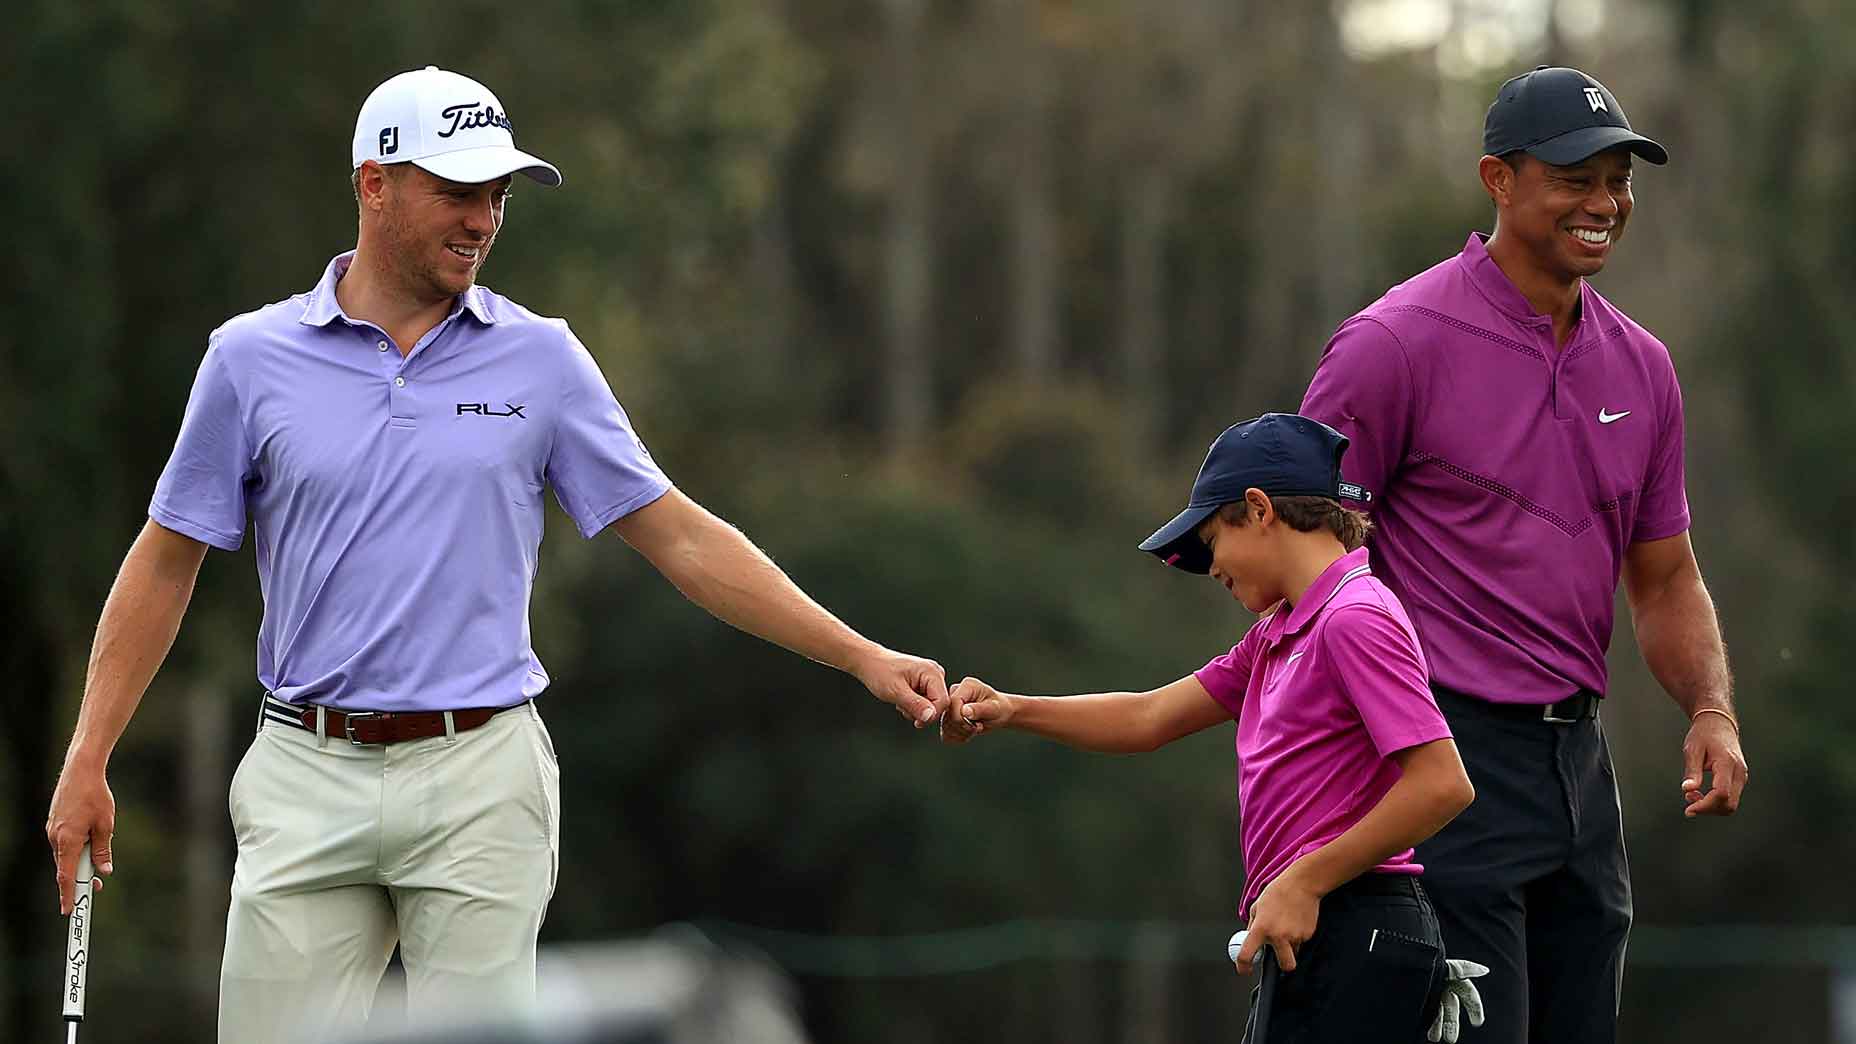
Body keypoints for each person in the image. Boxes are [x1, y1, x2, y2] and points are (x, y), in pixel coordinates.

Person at [42, 66, 949, 1043]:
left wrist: (859, 654)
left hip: (480, 774)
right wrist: (89, 753)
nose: (482, 218)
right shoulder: (249, 358)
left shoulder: (542, 360)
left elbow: (680, 536)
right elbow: (167, 557)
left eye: (497, 195)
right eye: (457, 190)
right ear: (374, 182)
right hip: (305, 769)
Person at [1297, 66, 1749, 1043]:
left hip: (1577, 774)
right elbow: (1303, 570)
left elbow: (1663, 575)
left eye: (1618, 179)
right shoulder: (1392, 344)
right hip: (1435, 758)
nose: (1603, 204)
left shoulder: (1642, 366)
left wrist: (1708, 709)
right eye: (1573, 177)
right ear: (1496, 179)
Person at [943, 413, 1478, 1043]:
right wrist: (1014, 708)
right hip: (1320, 925)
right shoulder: (1277, 635)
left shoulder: (1353, 617)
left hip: (1355, 917)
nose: (1210, 566)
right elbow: (1149, 717)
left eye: (1210, 539)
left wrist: (1303, 881)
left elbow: (1443, 784)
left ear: (1258, 509)